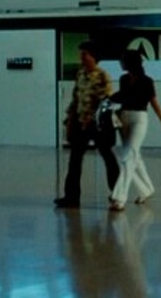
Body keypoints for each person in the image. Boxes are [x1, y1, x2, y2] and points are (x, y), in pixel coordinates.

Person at [55, 40, 120, 208]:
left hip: (97, 124)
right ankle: (71, 197)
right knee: (74, 160)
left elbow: (106, 101)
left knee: (108, 157)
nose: (82, 58)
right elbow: (76, 97)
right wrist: (69, 118)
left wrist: (97, 119)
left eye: (85, 54)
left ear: (93, 57)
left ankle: (117, 192)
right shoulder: (80, 74)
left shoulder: (102, 76)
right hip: (80, 122)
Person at [108, 48, 161, 211]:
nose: (120, 62)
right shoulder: (123, 79)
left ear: (130, 62)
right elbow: (122, 96)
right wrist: (109, 99)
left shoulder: (147, 81)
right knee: (134, 156)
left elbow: (153, 101)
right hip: (124, 118)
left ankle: (120, 197)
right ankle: (147, 189)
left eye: (123, 60)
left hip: (139, 119)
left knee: (128, 156)